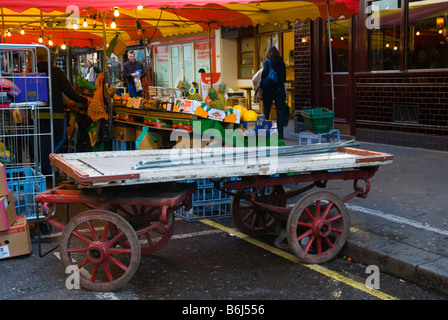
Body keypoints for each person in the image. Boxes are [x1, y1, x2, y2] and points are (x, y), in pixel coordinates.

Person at [36, 47, 91, 175]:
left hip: (38, 116)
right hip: (55, 115)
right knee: (59, 139)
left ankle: (44, 169)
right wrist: (84, 100)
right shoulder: (56, 72)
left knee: (42, 143)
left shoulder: (34, 72)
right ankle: (49, 166)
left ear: (36, 58)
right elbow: (70, 92)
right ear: (50, 57)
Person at [260, 46, 287, 139]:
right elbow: (284, 79)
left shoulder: (267, 62)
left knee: (266, 111)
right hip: (280, 90)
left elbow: (264, 74)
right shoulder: (282, 63)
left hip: (269, 90)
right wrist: (285, 92)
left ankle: (265, 132)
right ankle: (280, 134)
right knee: (280, 112)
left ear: (268, 53)